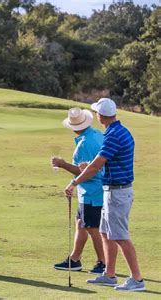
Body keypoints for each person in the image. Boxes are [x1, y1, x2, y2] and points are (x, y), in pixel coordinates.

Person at [65, 98, 145, 292]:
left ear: (101, 116)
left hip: (118, 192)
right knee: (104, 232)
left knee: (120, 236)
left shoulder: (113, 135)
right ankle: (109, 275)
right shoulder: (117, 131)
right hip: (113, 190)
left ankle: (137, 280)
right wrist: (88, 167)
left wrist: (75, 182)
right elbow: (101, 161)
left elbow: (95, 166)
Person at [51, 107, 105, 274]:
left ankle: (103, 263)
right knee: (81, 224)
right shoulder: (96, 134)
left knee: (93, 228)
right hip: (92, 191)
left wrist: (62, 164)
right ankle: (74, 259)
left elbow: (86, 172)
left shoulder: (84, 144)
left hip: (92, 193)